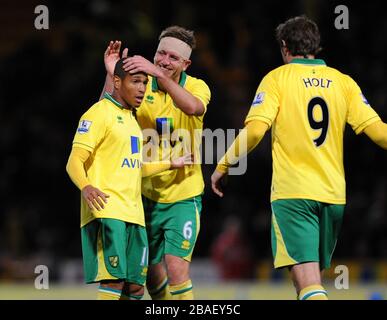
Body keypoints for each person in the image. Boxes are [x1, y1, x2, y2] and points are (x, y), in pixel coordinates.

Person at [211, 15, 387, 300]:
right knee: (306, 283)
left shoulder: (277, 79)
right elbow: (379, 133)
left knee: (308, 284)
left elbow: (255, 131)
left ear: (284, 46)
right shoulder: (343, 82)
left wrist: (224, 164)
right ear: (316, 46)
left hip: (294, 194)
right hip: (333, 197)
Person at [66, 58, 192, 300]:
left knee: (135, 288)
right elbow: (74, 161)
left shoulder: (132, 120)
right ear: (116, 81)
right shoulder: (98, 113)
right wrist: (86, 186)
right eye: (135, 81)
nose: (142, 88)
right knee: (114, 281)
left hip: (134, 214)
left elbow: (136, 167)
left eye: (145, 82)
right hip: (107, 211)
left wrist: (170, 163)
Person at [101, 26, 211, 300]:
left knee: (176, 270)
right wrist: (113, 73)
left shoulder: (197, 86)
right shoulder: (141, 85)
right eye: (161, 53)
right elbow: (105, 112)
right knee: (144, 276)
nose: (163, 60)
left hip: (183, 196)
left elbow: (193, 108)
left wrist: (159, 74)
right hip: (144, 195)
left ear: (185, 64)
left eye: (173, 57)